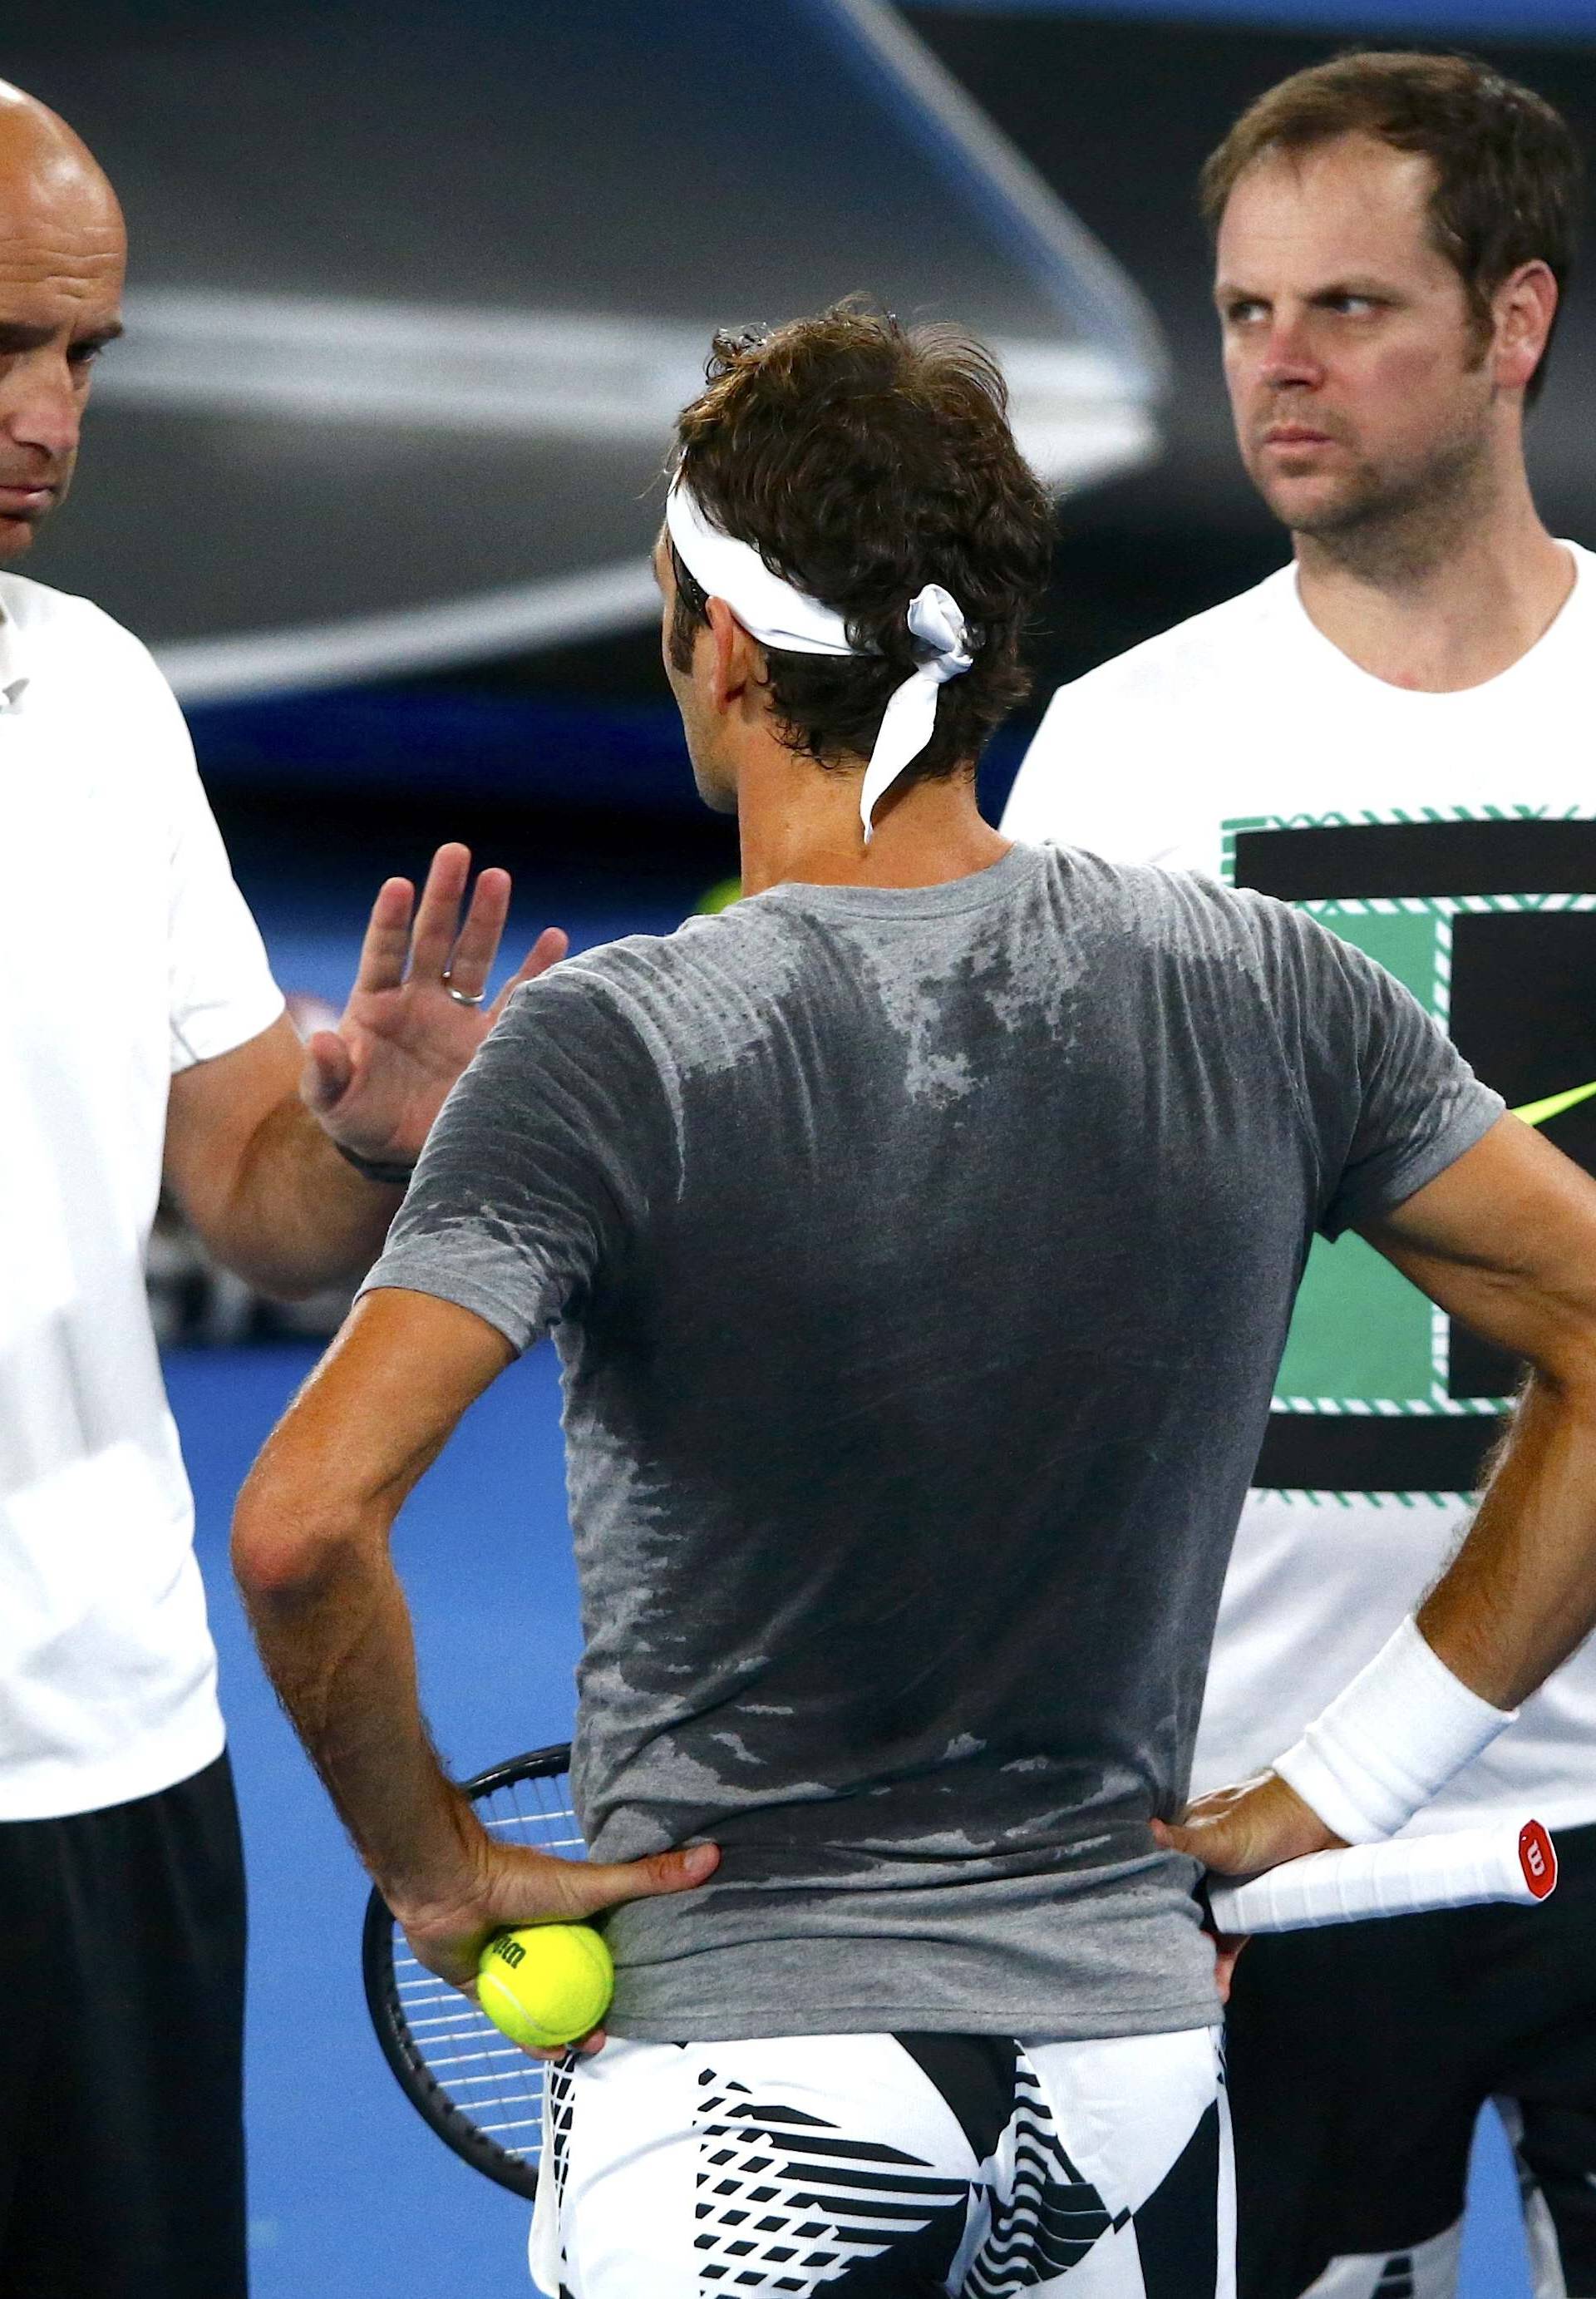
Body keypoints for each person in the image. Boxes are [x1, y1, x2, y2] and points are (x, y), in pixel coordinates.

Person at [234, 301, 1596, 2299]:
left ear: (715, 642)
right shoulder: (1274, 989)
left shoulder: (621, 1041)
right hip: (1135, 2089)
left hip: (744, 2104)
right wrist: (1361, 1776)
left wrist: (437, 1870)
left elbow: (298, 1528)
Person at [999, 51, 1596, 2299]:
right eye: (1247, 313)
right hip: (1256, 1822)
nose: (1281, 366)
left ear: (1515, 320)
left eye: (1348, 306)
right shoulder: (1131, 755)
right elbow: (1034, 1314)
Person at [0, 79, 560, 2298]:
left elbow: (248, 1192)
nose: (47, 414)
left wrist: (356, 1144)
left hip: (98, 1754)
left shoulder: (102, 699)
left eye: (83, 357)